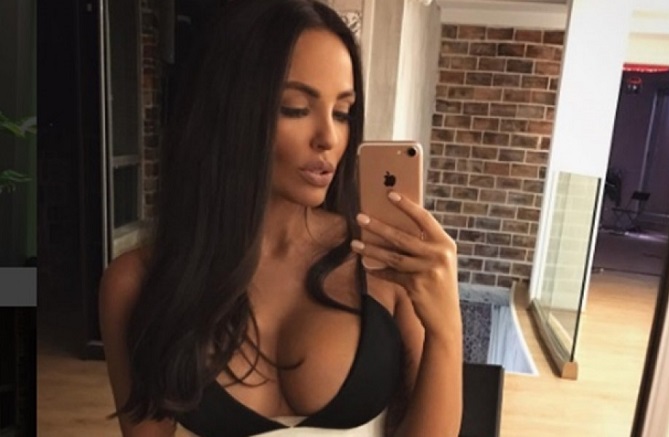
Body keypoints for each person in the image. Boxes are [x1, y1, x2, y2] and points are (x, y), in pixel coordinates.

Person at [99, 1, 462, 436]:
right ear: (230, 112)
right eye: (295, 108)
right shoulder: (136, 282)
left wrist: (446, 327)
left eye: (342, 112)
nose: (329, 137)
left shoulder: (384, 262)